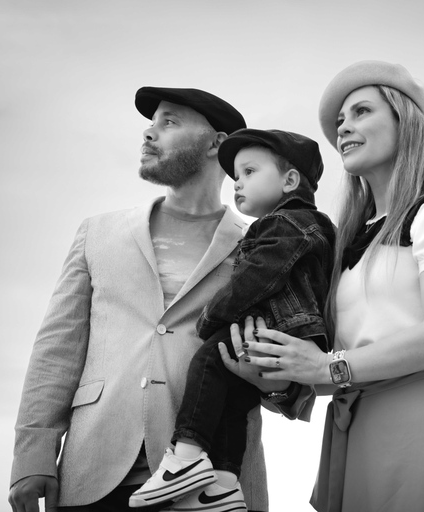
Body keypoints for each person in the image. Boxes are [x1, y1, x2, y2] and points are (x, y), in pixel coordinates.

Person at [232, 61, 424, 511]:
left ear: (405, 122)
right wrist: (276, 377)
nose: (344, 127)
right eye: (339, 122)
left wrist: (326, 369)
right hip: (358, 432)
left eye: (361, 112)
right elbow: (338, 362)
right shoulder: (345, 240)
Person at [8, 87, 288, 512]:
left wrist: (272, 377)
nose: (149, 133)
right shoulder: (97, 233)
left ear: (217, 143)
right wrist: (32, 455)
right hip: (91, 473)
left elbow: (290, 370)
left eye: (169, 122)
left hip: (214, 483)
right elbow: (57, 350)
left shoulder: (266, 245)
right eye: (151, 122)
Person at [129, 129, 335, 509]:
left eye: (250, 172)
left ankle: (185, 456)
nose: (238, 183)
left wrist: (212, 317)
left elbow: (260, 276)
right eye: (236, 176)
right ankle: (223, 481)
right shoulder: (307, 225)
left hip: (274, 325)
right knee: (234, 398)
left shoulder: (285, 224)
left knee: (208, 360)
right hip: (286, 332)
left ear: (290, 181)